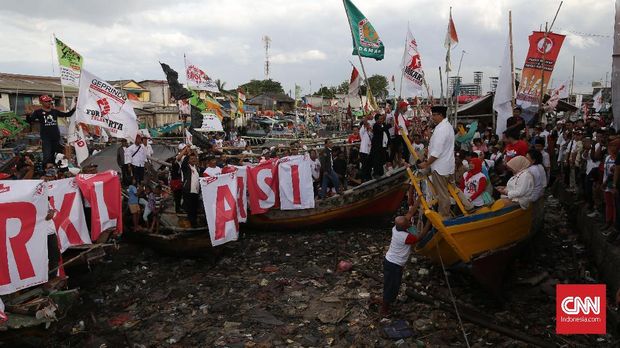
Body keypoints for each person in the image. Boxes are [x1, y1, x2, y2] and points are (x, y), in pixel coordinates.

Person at [419, 106, 473, 218]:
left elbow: (436, 152)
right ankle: (468, 206)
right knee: (454, 188)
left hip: (440, 167)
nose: (432, 117)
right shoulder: (447, 126)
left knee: (442, 193)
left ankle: (445, 216)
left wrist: (427, 163)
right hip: (448, 165)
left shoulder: (441, 129)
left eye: (434, 115)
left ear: (440, 115)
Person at [381, 206, 419, 316]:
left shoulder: (396, 228)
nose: (409, 222)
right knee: (391, 286)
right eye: (407, 223)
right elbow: (419, 237)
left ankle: (387, 302)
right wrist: (429, 224)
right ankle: (384, 310)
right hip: (394, 264)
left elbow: (409, 214)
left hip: (391, 261)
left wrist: (418, 200)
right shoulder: (405, 236)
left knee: (392, 284)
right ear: (404, 227)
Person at [26, 95, 75, 166]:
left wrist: (74, 109)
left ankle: (57, 169)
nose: (49, 102)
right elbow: (30, 121)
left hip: (56, 137)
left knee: (57, 155)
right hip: (46, 138)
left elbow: (67, 114)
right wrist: (28, 115)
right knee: (47, 155)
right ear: (41, 102)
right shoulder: (38, 112)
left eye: (49, 101)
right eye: (46, 101)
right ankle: (46, 171)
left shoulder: (54, 111)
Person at [178, 146, 202, 228]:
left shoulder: (197, 168)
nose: (193, 160)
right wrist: (187, 151)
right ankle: (192, 223)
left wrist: (194, 152)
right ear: (188, 160)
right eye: (191, 159)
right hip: (188, 191)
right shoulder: (186, 167)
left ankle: (194, 222)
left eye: (194, 159)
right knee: (190, 209)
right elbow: (184, 161)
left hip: (196, 191)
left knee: (195, 208)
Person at [369, 114, 388, 178]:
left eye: (382, 119)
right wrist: (389, 125)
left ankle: (380, 173)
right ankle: (376, 173)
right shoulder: (376, 125)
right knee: (376, 160)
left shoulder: (381, 125)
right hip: (376, 146)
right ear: (376, 120)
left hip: (381, 146)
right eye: (380, 119)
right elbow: (381, 130)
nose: (381, 120)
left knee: (381, 160)